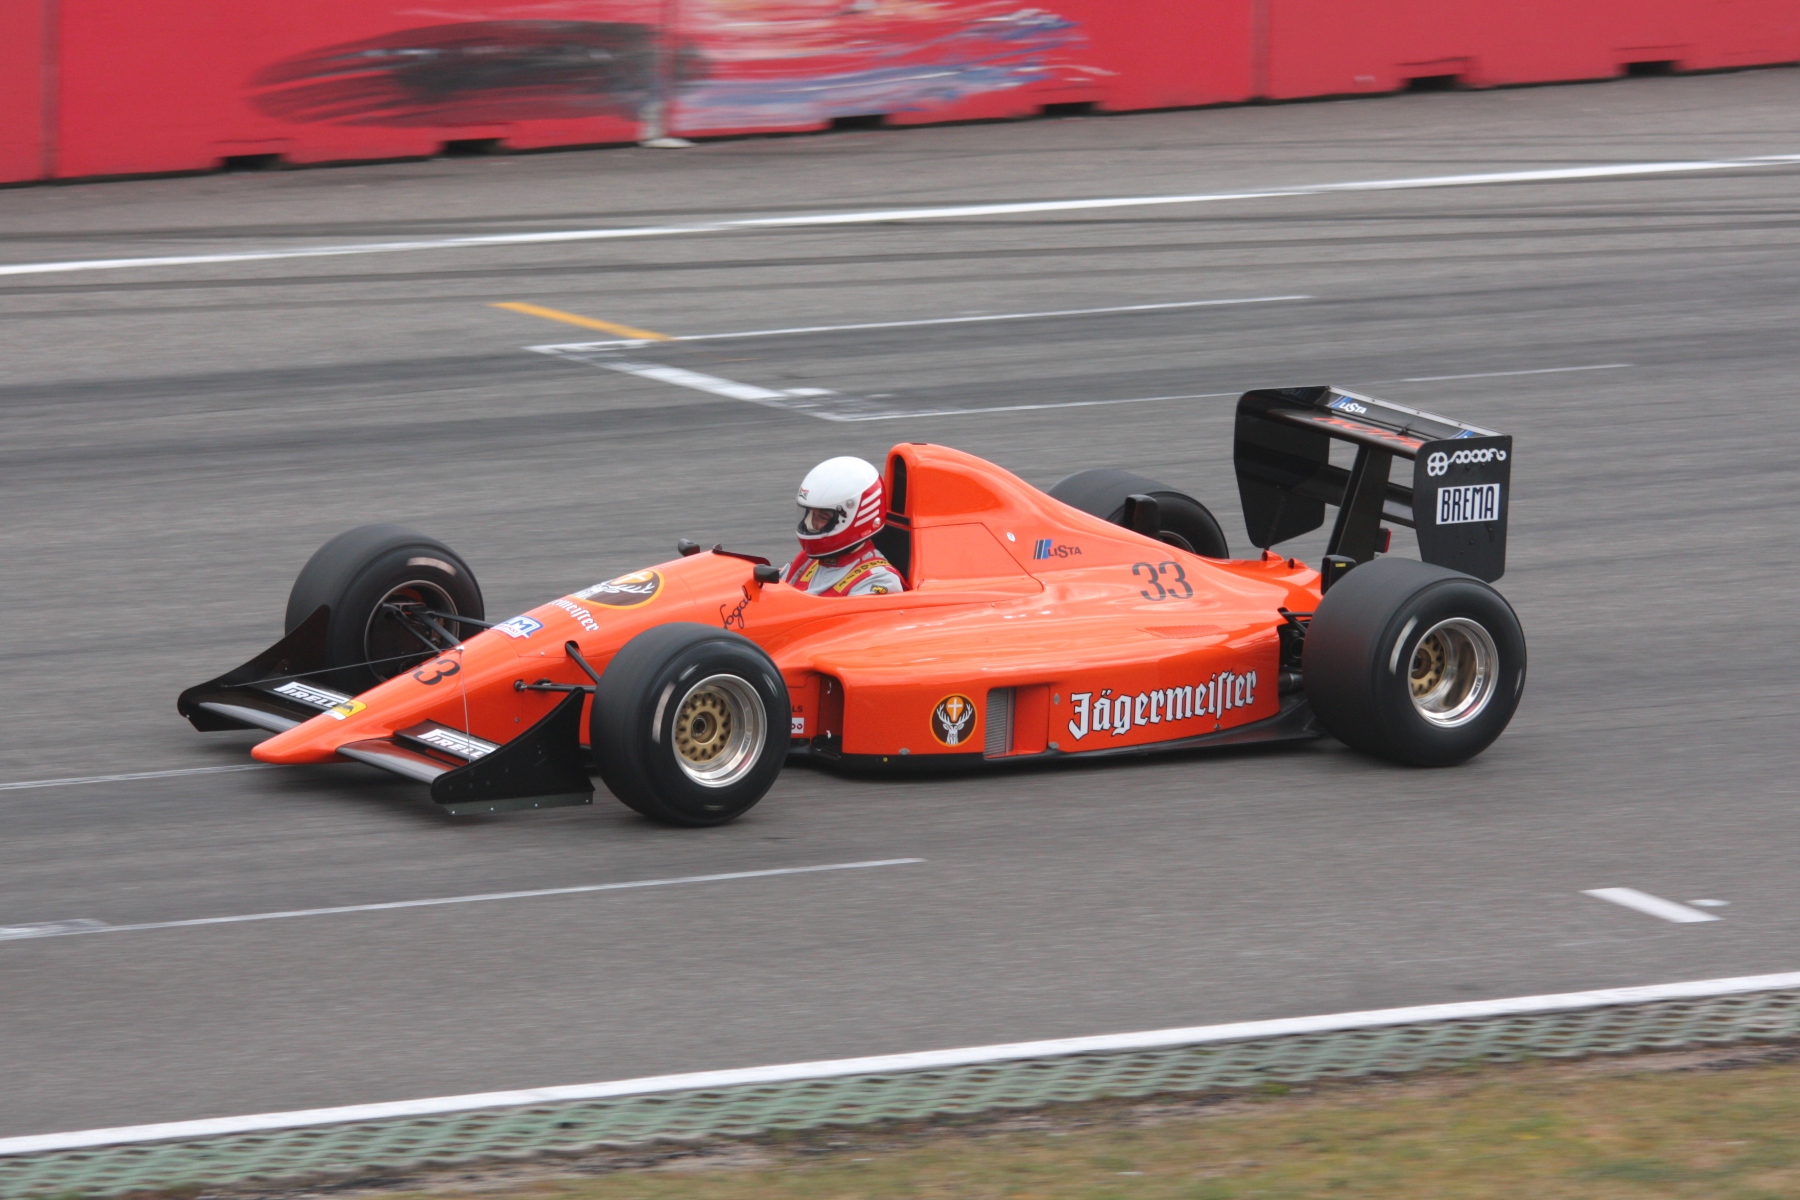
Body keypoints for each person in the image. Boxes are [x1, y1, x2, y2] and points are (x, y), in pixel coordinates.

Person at [782, 456, 907, 596]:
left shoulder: (879, 580)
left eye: (822, 516)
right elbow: (774, 588)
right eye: (810, 514)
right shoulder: (808, 560)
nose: (810, 523)